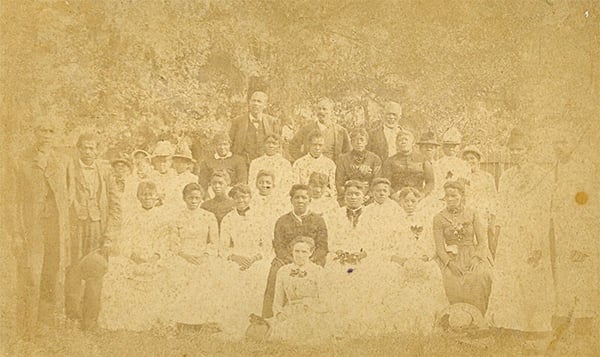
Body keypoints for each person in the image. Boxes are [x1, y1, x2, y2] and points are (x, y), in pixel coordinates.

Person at [9, 119, 73, 338]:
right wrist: (17, 233)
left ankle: (46, 325)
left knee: (51, 274)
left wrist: (63, 225)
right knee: (30, 274)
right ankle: (25, 327)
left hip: (55, 228)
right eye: (42, 130)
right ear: (35, 132)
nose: (46, 134)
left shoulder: (64, 161)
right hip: (32, 229)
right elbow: (14, 201)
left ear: (56, 134)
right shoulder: (22, 161)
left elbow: (69, 194)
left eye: (51, 130)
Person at [487, 129, 555, 336]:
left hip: (531, 231)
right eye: (513, 150)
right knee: (508, 276)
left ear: (529, 151)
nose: (516, 153)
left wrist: (537, 240)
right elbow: (502, 205)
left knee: (530, 275)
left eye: (520, 150)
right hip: (510, 232)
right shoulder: (506, 176)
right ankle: (508, 323)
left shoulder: (541, 175)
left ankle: (534, 326)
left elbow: (542, 209)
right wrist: (497, 230)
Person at [99, 181, 173, 331]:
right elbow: (126, 240)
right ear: (138, 197)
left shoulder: (163, 218)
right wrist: (134, 256)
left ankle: (152, 319)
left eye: (151, 195)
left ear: (156, 197)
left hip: (154, 257)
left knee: (164, 274)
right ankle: (121, 319)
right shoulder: (132, 217)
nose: (147, 198)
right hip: (134, 256)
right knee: (114, 273)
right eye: (144, 195)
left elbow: (164, 242)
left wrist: (156, 256)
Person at [65, 133, 121, 330]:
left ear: (97, 151)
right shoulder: (69, 169)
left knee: (95, 271)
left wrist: (109, 237)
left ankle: (90, 322)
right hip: (75, 227)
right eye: (84, 148)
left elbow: (115, 205)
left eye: (92, 148)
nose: (88, 152)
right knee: (72, 270)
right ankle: (72, 318)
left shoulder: (105, 172)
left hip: (98, 227)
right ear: (78, 149)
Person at [549, 127, 599, 335]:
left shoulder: (582, 170)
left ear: (573, 145)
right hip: (559, 232)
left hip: (579, 232)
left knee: (581, 273)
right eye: (556, 143)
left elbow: (588, 208)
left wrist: (582, 243)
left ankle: (583, 322)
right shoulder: (555, 169)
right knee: (562, 276)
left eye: (564, 142)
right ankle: (564, 319)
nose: (560, 147)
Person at [383, 186, 448, 334]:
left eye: (413, 201)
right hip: (401, 260)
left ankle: (431, 319)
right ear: (400, 202)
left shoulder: (425, 221)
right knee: (394, 275)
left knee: (433, 271)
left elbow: (432, 244)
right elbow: (387, 245)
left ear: (418, 202)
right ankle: (402, 323)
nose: (410, 204)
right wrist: (399, 259)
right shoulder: (392, 221)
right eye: (406, 201)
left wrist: (427, 257)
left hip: (421, 259)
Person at [262, 184, 328, 318]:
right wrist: (293, 261)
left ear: (310, 200)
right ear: (291, 200)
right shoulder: (282, 221)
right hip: (288, 259)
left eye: (304, 197)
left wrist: (309, 260)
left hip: (312, 258)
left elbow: (323, 247)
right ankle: (270, 317)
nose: (300, 200)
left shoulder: (318, 220)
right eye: (297, 197)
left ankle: (316, 314)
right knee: (275, 272)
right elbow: (279, 247)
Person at [167, 183, 224, 333]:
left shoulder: (208, 216)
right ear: (184, 198)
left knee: (206, 272)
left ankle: (201, 320)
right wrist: (185, 255)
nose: (193, 201)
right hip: (182, 255)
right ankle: (181, 319)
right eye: (190, 198)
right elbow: (173, 242)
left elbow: (214, 242)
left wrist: (205, 255)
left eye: (197, 198)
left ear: (201, 199)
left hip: (202, 255)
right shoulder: (177, 216)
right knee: (179, 271)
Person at [220, 184, 274, 337]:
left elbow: (267, 246)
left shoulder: (261, 216)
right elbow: (223, 248)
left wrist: (253, 258)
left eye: (244, 197)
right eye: (237, 198)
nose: (241, 200)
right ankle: (236, 323)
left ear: (250, 198)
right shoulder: (228, 219)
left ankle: (256, 325)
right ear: (233, 200)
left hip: (257, 258)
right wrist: (235, 257)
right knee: (232, 277)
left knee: (259, 275)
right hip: (236, 257)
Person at [433, 180, 492, 315]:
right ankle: (454, 317)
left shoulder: (472, 213)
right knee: (448, 277)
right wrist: (450, 263)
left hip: (472, 253)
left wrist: (476, 258)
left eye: (454, 196)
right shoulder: (438, 218)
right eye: (447, 196)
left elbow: (483, 241)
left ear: (462, 196)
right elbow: (440, 248)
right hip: (451, 256)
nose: (450, 199)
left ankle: (478, 316)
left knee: (482, 275)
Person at [270, 237, 333, 345]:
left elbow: (326, 301)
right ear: (291, 251)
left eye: (304, 252)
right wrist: (279, 313)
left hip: (312, 312)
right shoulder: (283, 271)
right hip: (290, 312)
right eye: (297, 251)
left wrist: (313, 308)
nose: (300, 255)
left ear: (311, 252)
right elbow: (277, 300)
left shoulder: (317, 271)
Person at [289, 97, 351, 162]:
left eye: (324, 109)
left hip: (332, 169)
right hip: (310, 168)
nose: (321, 111)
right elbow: (292, 146)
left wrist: (341, 165)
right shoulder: (306, 129)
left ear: (331, 112)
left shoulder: (341, 131)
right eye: (319, 109)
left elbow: (348, 153)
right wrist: (303, 160)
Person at [229, 90, 281, 163]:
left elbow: (278, 145)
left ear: (265, 105)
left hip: (265, 162)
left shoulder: (272, 122)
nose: (255, 104)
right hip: (243, 163)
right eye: (253, 101)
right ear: (249, 103)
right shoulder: (238, 121)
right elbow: (230, 143)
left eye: (259, 101)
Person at [335, 128, 382, 205]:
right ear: (351, 142)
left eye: (361, 139)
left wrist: (369, 195)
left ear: (366, 142)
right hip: (348, 196)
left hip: (368, 197)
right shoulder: (343, 159)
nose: (358, 142)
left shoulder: (374, 159)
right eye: (355, 140)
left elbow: (377, 182)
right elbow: (339, 183)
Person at [462, 145, 497, 244]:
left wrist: (492, 218)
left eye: (472, 158)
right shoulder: (461, 177)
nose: (469, 161)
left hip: (483, 216)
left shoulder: (487, 177)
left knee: (483, 245)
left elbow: (493, 198)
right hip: (466, 216)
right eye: (466, 159)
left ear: (478, 160)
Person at [381, 129, 435, 194]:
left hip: (418, 195)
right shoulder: (389, 161)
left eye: (406, 139)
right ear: (396, 144)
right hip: (397, 196)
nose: (403, 142)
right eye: (400, 140)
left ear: (412, 143)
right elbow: (386, 183)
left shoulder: (423, 160)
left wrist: (422, 195)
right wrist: (394, 196)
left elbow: (430, 182)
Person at [292, 130, 337, 197]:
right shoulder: (299, 163)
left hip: (324, 199)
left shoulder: (330, 164)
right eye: (314, 145)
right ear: (308, 145)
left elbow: (333, 187)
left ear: (324, 146)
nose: (317, 148)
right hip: (305, 198)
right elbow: (295, 186)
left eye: (320, 145)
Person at [248, 134, 294, 199]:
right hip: (258, 197)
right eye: (268, 143)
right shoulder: (255, 163)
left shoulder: (285, 164)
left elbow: (287, 185)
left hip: (278, 198)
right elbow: (251, 183)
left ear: (279, 146)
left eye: (274, 143)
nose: (271, 145)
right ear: (263, 145)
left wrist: (275, 197)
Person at [361, 178, 404, 242]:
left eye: (384, 191)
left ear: (389, 193)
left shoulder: (396, 209)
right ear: (372, 193)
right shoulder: (367, 210)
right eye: (378, 191)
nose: (382, 193)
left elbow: (401, 229)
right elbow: (363, 230)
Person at [170, 143, 199, 209]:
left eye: (182, 162)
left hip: (185, 208)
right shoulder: (170, 177)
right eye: (176, 162)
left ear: (188, 164)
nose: (179, 164)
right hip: (170, 208)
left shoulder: (193, 179)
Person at [149, 140, 177, 206]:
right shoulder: (151, 176)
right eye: (158, 161)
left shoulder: (175, 176)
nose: (162, 164)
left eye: (165, 161)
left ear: (170, 162)